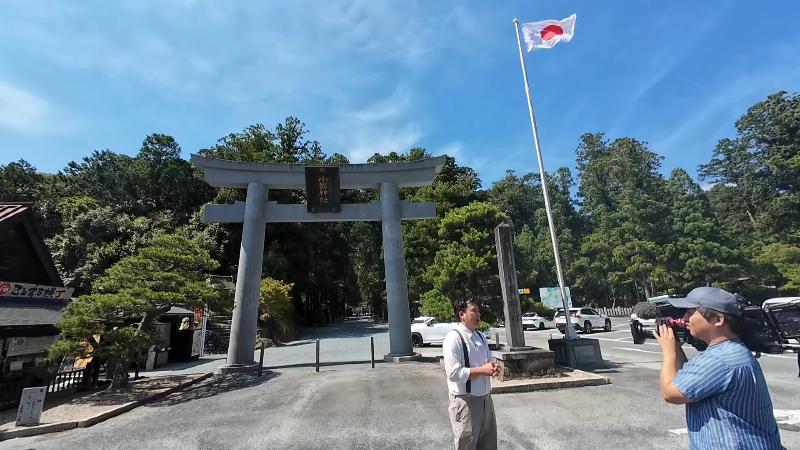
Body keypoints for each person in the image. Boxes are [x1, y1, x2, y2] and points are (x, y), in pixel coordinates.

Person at [653, 286, 783, 449]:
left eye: (691, 312)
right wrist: (676, 347)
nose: (685, 318)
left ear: (718, 319)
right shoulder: (730, 350)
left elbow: (671, 393)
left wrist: (668, 352)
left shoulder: (721, 359)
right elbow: (686, 381)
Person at [442, 298, 500, 450]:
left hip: (486, 400)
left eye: (478, 311)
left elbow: (488, 360)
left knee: (488, 445)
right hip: (465, 402)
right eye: (474, 311)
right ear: (462, 314)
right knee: (466, 445)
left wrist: (493, 367)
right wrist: (483, 370)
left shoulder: (480, 336)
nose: (478, 314)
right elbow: (453, 373)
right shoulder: (454, 338)